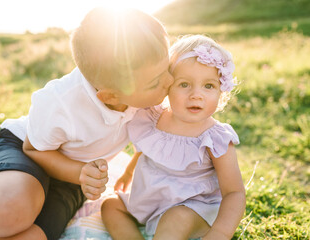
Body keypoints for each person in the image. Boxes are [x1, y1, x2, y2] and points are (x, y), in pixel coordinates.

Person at [0, 7, 174, 240]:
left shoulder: (148, 95)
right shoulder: (61, 101)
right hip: (28, 149)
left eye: (167, 68)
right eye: (155, 82)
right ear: (110, 97)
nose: (169, 82)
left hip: (73, 180)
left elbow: (157, 133)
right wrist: (80, 171)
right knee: (9, 212)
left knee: (31, 236)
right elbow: (33, 148)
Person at [101, 35, 246, 240]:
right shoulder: (154, 117)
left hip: (192, 208)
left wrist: (220, 233)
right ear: (167, 86)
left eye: (208, 86)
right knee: (110, 206)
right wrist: (128, 172)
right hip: (150, 199)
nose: (196, 95)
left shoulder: (215, 139)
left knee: (175, 219)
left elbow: (234, 193)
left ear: (221, 91)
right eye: (184, 84)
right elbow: (148, 152)